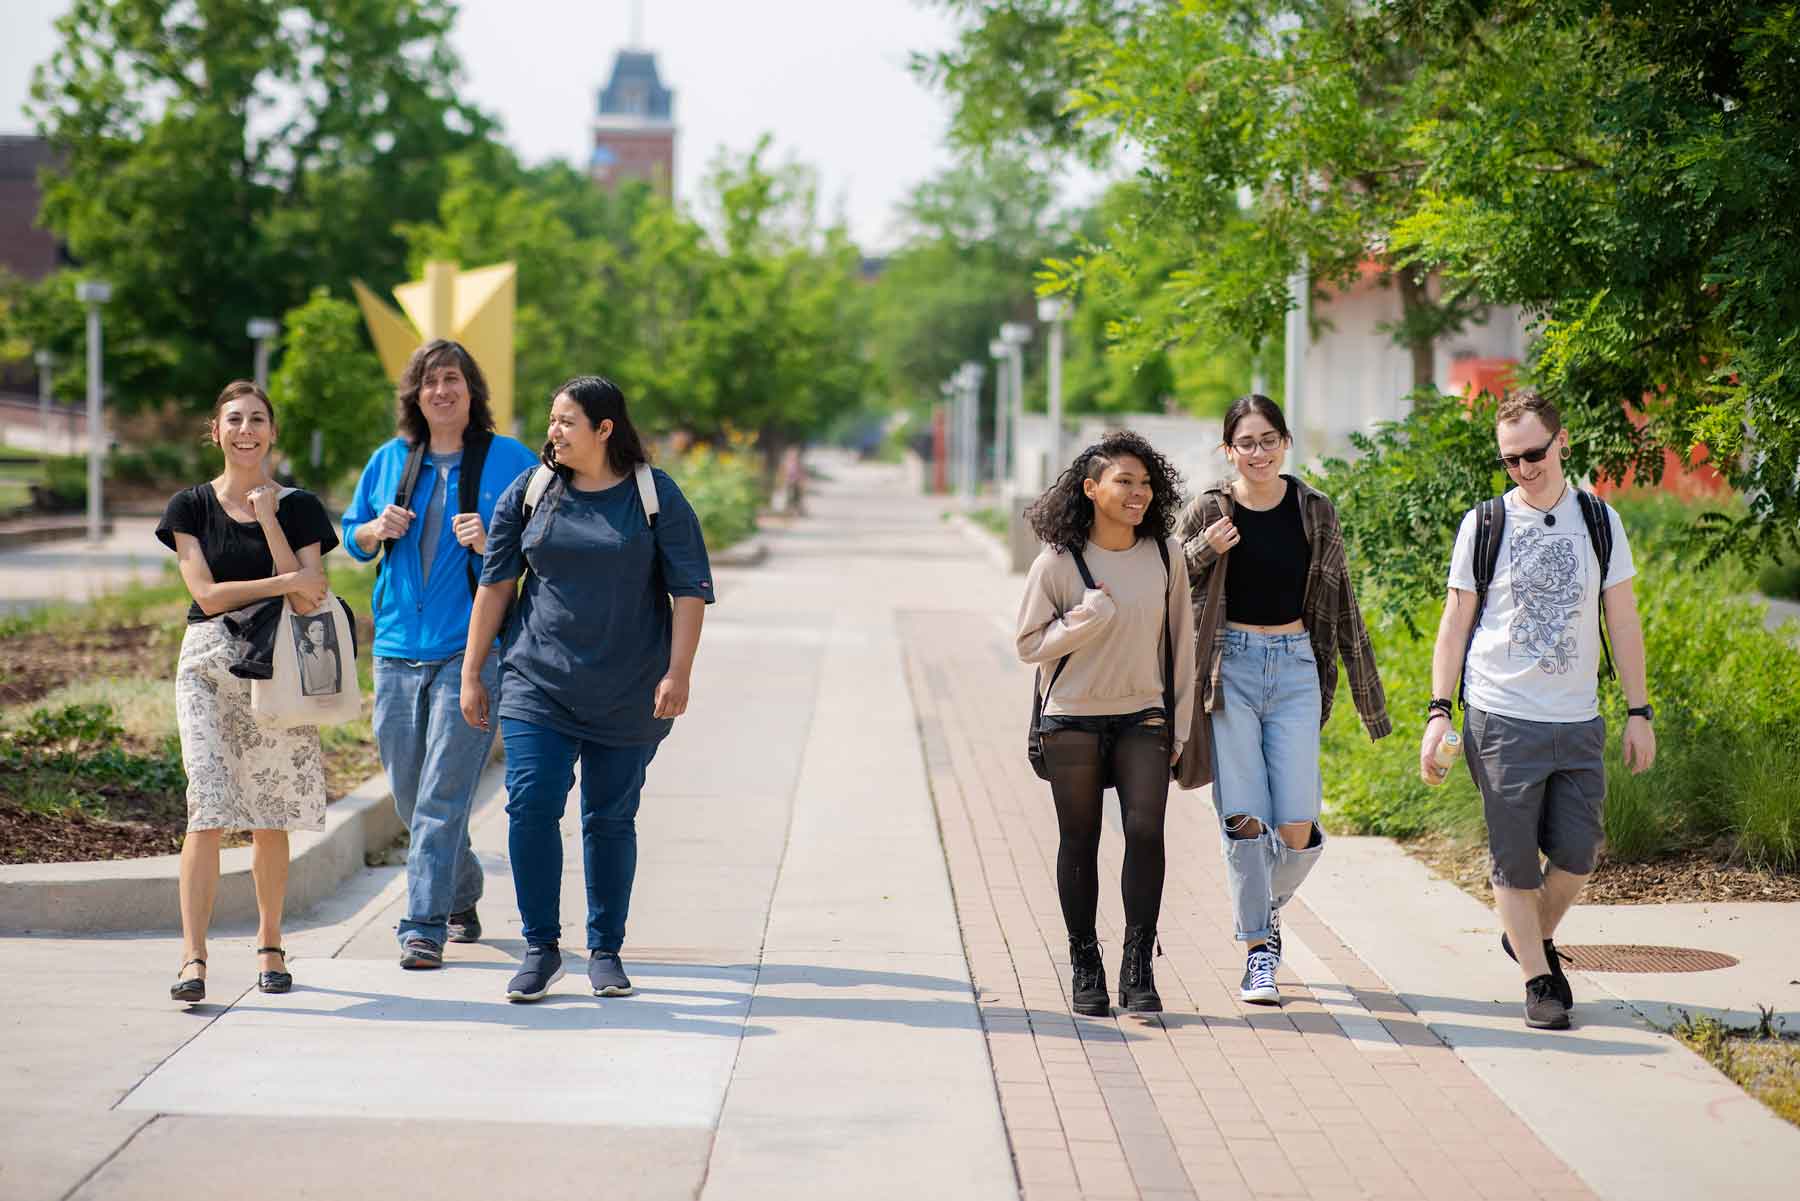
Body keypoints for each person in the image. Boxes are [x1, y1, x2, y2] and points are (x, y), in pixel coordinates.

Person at [461, 376, 715, 1003]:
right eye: (552, 420)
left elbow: (689, 590)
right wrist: (473, 672)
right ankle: (541, 948)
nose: (554, 432)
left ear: (605, 429)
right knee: (530, 805)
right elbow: (496, 585)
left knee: (608, 817)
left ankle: (605, 950)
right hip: (535, 678)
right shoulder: (532, 492)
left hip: (629, 684)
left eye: (567, 422)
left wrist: (678, 671)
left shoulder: (654, 496)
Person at [1421, 390, 1653, 1030]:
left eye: (1533, 455)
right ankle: (1537, 978)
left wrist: (1640, 711)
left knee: (1580, 853)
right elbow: (1455, 622)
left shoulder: (1600, 522)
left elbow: (1624, 620)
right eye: (1510, 461)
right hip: (1501, 716)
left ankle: (1523, 934)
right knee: (1514, 859)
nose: (1523, 470)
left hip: (1578, 717)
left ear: (1562, 442)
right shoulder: (1486, 524)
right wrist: (1440, 711)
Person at [1175, 395, 1391, 1006]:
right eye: (1246, 442)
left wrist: (1370, 699)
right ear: (1229, 451)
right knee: (1244, 817)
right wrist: (1204, 550)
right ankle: (1259, 955)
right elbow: (1167, 582)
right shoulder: (1208, 510)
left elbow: (1341, 599)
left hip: (1297, 667)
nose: (1259, 452)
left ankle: (1260, 905)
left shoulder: (1313, 509)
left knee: (1297, 826)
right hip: (1229, 671)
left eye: (1269, 439)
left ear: (1286, 442)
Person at [340, 340, 538, 970]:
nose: (441, 391)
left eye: (452, 379)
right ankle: (463, 890)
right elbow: (351, 534)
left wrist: (494, 542)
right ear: (415, 395)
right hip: (396, 649)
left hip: (471, 653)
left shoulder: (510, 461)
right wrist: (375, 530)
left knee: (440, 798)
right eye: (429, 382)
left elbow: (548, 540)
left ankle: (421, 925)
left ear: (471, 390)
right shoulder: (390, 460)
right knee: (408, 793)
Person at [156, 380, 339, 1002]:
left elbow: (311, 595)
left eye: (257, 419)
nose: (245, 430)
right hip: (207, 665)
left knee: (269, 811)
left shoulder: (301, 507)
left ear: (273, 432)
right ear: (216, 431)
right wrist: (285, 576)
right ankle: (193, 958)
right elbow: (204, 597)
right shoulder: (190, 508)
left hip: (279, 666)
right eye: (233, 419)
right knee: (205, 807)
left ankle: (270, 944)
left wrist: (269, 522)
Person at [1016, 431, 1196, 1016]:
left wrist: (1183, 728)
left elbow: (1182, 648)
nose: (1138, 492)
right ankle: (1085, 963)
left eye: (1145, 483)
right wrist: (1087, 619)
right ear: (1092, 489)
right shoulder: (1058, 563)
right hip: (1072, 720)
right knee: (1081, 840)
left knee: (1146, 832)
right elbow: (1028, 645)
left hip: (1145, 713)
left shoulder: (1166, 554)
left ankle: (1138, 963)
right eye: (1125, 482)